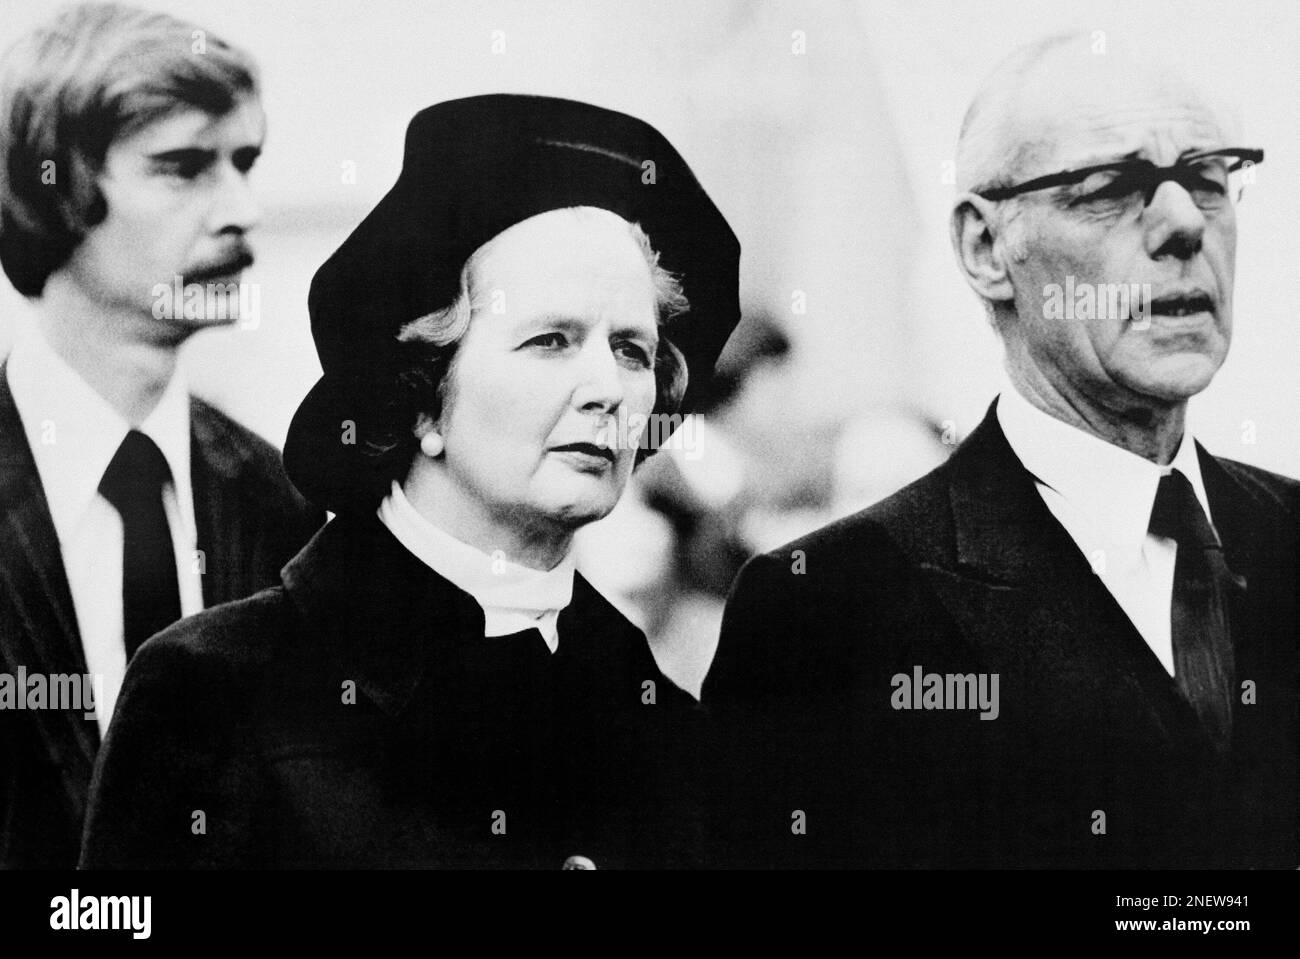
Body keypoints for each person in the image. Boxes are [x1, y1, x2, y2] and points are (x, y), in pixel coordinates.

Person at [80, 94, 741, 869]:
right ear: (423, 392)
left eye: (632, 349)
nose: (608, 386)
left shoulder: (659, 720)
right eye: (551, 340)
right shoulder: (219, 694)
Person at [705, 34, 1297, 868]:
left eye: (1208, 176)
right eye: (1114, 188)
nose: (1184, 223)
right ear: (986, 250)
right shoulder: (826, 612)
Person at [0, 3, 321, 869]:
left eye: (245, 164)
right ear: (53, 188)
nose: (243, 210)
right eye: (183, 169)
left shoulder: (291, 505)